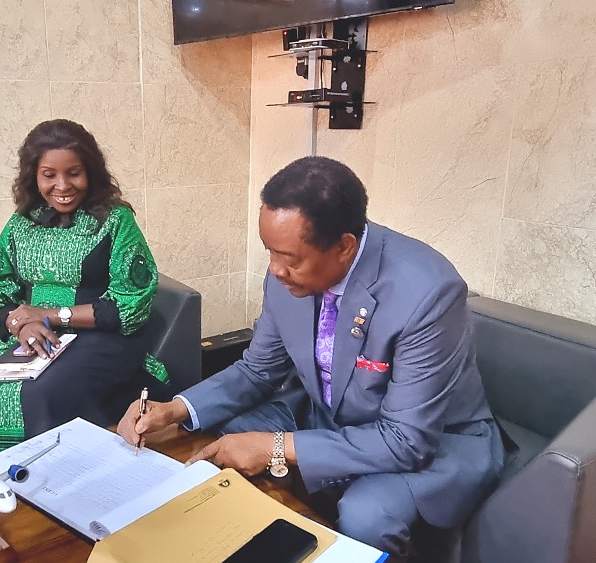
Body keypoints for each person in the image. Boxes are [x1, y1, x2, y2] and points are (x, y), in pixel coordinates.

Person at [117, 156, 506, 557]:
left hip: (431, 442)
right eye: (270, 251)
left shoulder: (427, 293)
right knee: (221, 432)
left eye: (289, 259)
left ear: (344, 247)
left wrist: (275, 446)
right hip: (329, 414)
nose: (275, 270)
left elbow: (406, 440)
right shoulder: (287, 272)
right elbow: (258, 369)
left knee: (367, 514)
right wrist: (174, 409)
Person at [0, 119, 167, 453]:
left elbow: (130, 305)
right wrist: (22, 324)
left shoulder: (115, 220)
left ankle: (55, 477)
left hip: (102, 337)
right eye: (49, 174)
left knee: (40, 393)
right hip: (38, 335)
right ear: (34, 175)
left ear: (90, 172)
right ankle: (1, 480)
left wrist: (48, 315)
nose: (62, 185)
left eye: (74, 173)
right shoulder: (21, 224)